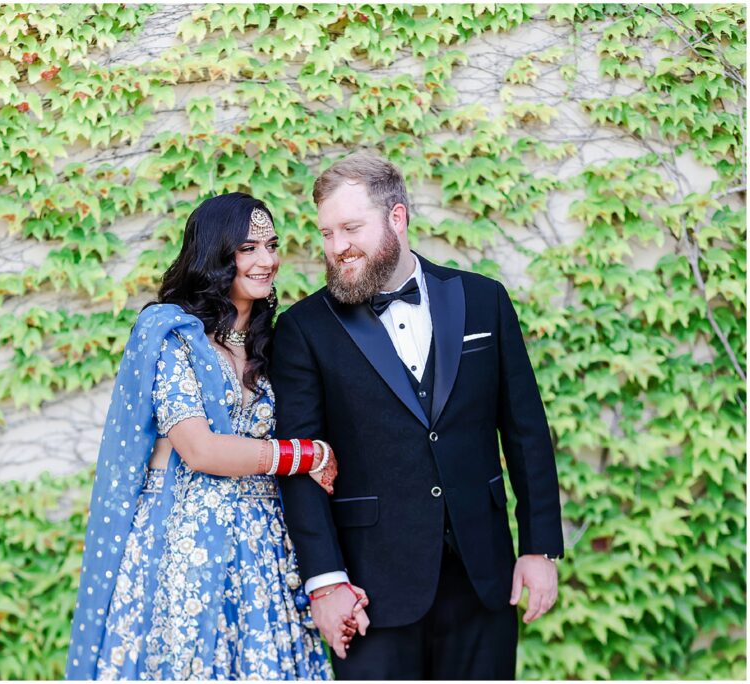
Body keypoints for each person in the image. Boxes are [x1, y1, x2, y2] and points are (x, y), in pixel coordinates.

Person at [270, 153, 565, 679]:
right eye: (327, 233)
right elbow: (303, 466)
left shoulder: (483, 300)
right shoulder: (303, 329)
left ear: (397, 218)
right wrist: (326, 582)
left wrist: (540, 547)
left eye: (351, 228)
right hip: (370, 593)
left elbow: (525, 432)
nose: (338, 247)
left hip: (483, 578)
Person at [65, 192, 363, 680]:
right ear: (216, 255)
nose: (267, 260)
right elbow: (199, 448)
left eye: (272, 245)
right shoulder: (171, 334)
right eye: (249, 248)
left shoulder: (276, 341)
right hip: (184, 547)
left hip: (266, 552)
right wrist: (305, 455)